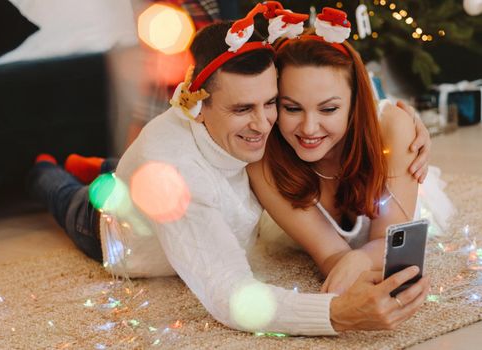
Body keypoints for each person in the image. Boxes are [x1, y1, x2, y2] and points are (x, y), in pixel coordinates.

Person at [27, 4, 431, 335]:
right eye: (242, 110)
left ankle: (103, 164)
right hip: (112, 222)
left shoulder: (273, 122)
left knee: (128, 166)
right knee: (61, 192)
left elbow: (340, 104)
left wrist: (406, 120)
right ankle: (45, 168)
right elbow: (230, 294)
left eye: (273, 103)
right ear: (197, 107)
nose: (263, 124)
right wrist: (336, 313)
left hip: (161, 168)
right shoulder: (175, 174)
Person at [247, 7, 450, 297]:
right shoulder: (264, 159)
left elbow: (393, 247)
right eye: (291, 108)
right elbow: (330, 256)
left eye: (328, 109)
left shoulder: (393, 131)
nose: (309, 127)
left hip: (396, 186)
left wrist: (360, 258)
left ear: (356, 104)